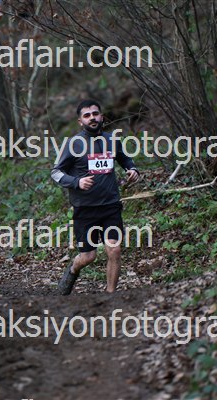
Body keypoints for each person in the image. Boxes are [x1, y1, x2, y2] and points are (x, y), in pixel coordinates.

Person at [51, 99, 140, 295]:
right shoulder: (73, 144)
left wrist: (132, 170)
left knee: (114, 250)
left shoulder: (112, 140)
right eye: (87, 115)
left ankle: (110, 296)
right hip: (85, 209)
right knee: (88, 256)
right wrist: (77, 182)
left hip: (110, 206)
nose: (92, 118)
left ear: (102, 116)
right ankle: (73, 270)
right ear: (80, 121)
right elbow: (56, 173)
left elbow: (125, 159)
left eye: (95, 113)